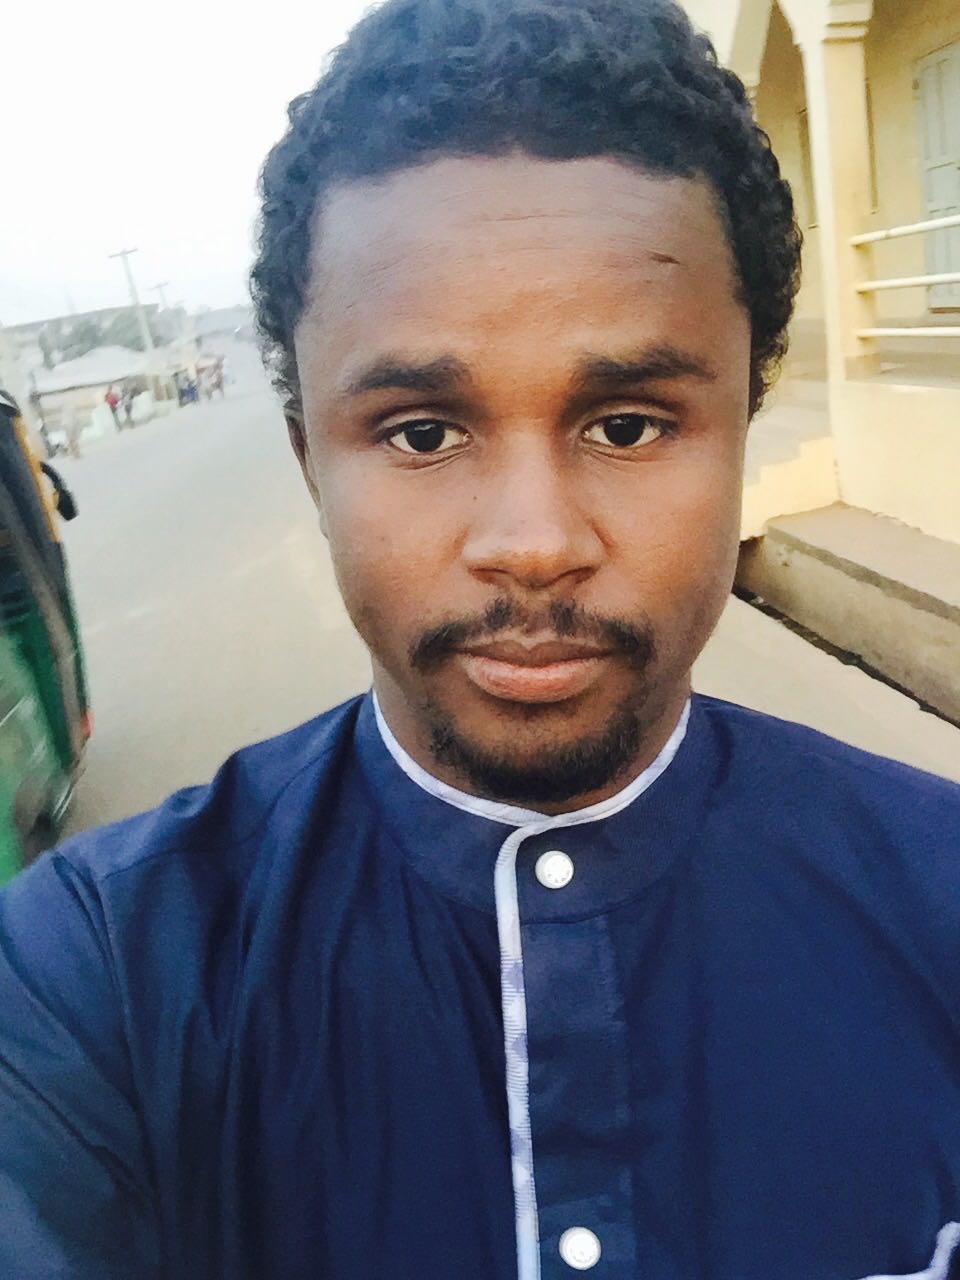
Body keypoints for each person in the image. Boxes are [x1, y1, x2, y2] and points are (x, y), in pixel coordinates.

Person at [1, 2, 958, 1278]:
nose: (534, 542)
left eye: (627, 424)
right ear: (311, 461)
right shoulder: (96, 972)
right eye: (423, 433)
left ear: (743, 425)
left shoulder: (941, 894)